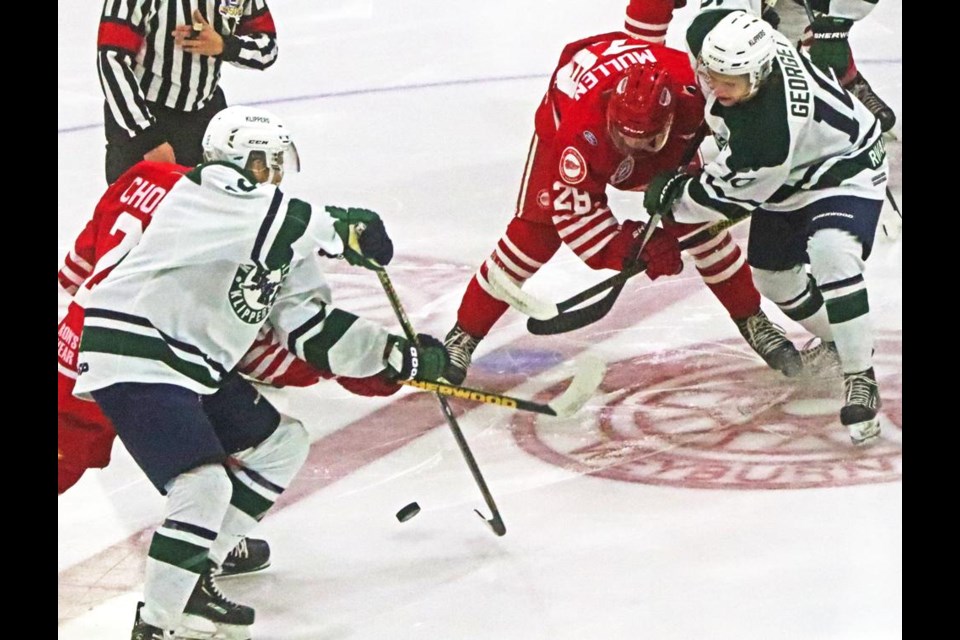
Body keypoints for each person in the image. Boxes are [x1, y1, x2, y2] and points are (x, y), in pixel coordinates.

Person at [71, 105, 450, 639]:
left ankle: (196, 575)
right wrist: (343, 230)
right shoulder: (206, 192)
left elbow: (312, 332)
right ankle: (157, 625)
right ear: (240, 161)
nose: (275, 173)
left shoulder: (278, 227)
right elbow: (282, 217)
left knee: (281, 443)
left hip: (187, 366)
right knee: (201, 487)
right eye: (267, 162)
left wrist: (397, 356)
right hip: (136, 350)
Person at [441, 21, 804, 386]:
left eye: (644, 140)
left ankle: (752, 319)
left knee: (696, 223)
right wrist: (633, 249)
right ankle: (464, 334)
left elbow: (749, 134)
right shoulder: (580, 133)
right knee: (536, 235)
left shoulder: (699, 93)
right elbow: (576, 218)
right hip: (571, 116)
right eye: (623, 136)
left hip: (662, 137)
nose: (630, 149)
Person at [643, 5, 888, 445]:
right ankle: (841, 340)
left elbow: (720, 197)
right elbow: (720, 11)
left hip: (843, 167)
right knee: (773, 279)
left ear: (757, 77)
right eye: (710, 74)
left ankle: (860, 375)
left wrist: (675, 199)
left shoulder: (769, 134)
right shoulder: (715, 38)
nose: (715, 87)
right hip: (792, 172)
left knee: (832, 251)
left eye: (729, 83)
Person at [97, 0, 279, 184]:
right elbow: (112, 59)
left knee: (208, 208)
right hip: (143, 117)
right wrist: (148, 139)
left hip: (204, 118)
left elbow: (268, 48)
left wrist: (224, 46)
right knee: (137, 209)